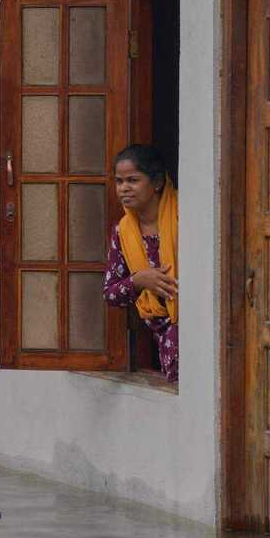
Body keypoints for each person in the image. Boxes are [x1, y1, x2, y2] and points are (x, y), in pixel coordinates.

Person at [103, 145, 179, 383]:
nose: (124, 188)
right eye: (119, 181)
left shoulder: (186, 218)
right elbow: (111, 294)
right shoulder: (123, 231)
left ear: (156, 183)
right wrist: (138, 281)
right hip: (164, 339)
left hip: (198, 331)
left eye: (133, 180)